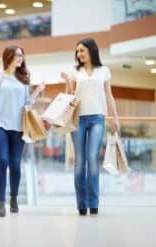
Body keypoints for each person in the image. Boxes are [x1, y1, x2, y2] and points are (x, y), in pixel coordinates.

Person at [61, 38, 120, 216]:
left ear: (91, 51)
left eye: (82, 50)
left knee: (92, 160)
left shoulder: (104, 71)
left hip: (97, 119)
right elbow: (69, 96)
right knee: (80, 162)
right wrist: (68, 81)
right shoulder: (73, 71)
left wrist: (115, 118)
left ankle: (93, 203)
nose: (79, 54)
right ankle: (81, 204)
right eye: (77, 51)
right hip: (77, 119)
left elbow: (109, 96)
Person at [0, 45, 45, 217]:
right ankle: (1, 203)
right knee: (2, 161)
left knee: (15, 165)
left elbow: (27, 103)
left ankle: (14, 198)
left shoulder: (23, 80)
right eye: (18, 55)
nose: (21, 58)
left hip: (19, 128)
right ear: (9, 56)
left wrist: (37, 92)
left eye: (22, 55)